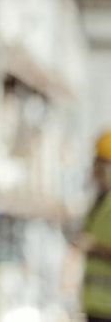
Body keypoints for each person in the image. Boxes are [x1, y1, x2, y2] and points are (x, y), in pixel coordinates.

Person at [80, 130, 111, 322]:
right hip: (95, 306)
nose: (95, 171)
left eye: (100, 165)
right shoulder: (99, 202)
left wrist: (94, 246)